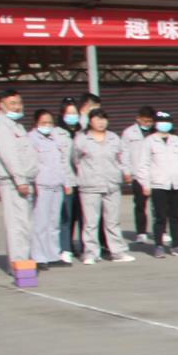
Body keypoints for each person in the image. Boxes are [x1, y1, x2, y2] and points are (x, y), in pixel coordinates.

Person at [72, 110, 134, 264]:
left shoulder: (114, 138)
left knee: (112, 221)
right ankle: (91, 253)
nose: (101, 122)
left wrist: (125, 172)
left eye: (103, 119)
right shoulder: (82, 139)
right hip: (90, 185)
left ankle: (117, 252)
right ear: (90, 121)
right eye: (97, 119)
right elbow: (75, 159)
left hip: (111, 184)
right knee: (91, 222)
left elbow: (121, 158)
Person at [0, 89, 37, 270]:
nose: (17, 107)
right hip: (12, 182)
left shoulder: (15, 125)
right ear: (1, 105)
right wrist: (20, 180)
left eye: (19, 103)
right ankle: (19, 264)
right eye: (12, 104)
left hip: (22, 180)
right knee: (18, 225)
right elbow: (9, 156)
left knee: (25, 224)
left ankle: (22, 261)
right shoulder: (2, 126)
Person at [139, 111, 178, 258]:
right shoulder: (149, 141)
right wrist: (145, 184)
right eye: (161, 121)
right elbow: (143, 165)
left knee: (175, 216)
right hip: (158, 184)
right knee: (160, 217)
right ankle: (158, 245)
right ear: (156, 123)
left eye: (167, 121)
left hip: (177, 184)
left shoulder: (177, 140)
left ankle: (177, 245)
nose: (164, 124)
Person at [28, 109, 76, 265]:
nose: (47, 125)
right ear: (36, 123)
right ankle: (39, 257)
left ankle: (53, 255)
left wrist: (67, 182)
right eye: (43, 122)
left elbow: (63, 162)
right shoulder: (31, 139)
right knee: (40, 223)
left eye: (50, 122)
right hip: (42, 185)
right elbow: (31, 163)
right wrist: (33, 184)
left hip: (57, 185)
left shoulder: (54, 138)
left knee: (54, 223)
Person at [59, 99, 87, 258]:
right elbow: (61, 160)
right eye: (68, 113)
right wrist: (64, 181)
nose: (72, 116)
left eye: (74, 113)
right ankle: (65, 247)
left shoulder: (82, 132)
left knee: (83, 217)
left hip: (83, 180)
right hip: (67, 181)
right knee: (67, 217)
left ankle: (84, 246)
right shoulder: (57, 133)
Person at [122, 107, 154, 240]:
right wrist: (126, 171)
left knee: (159, 206)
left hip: (156, 174)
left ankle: (162, 231)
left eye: (150, 121)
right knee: (140, 204)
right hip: (138, 174)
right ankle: (141, 232)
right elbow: (124, 153)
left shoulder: (156, 132)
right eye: (145, 121)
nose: (148, 124)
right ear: (138, 119)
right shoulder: (129, 133)